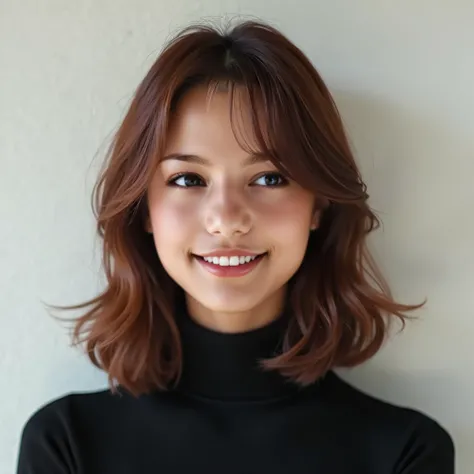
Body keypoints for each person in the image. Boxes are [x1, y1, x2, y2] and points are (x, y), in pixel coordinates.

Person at [16, 19, 454, 474]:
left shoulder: (405, 453)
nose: (226, 218)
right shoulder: (66, 444)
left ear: (319, 206)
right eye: (188, 179)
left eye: (269, 177)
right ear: (144, 209)